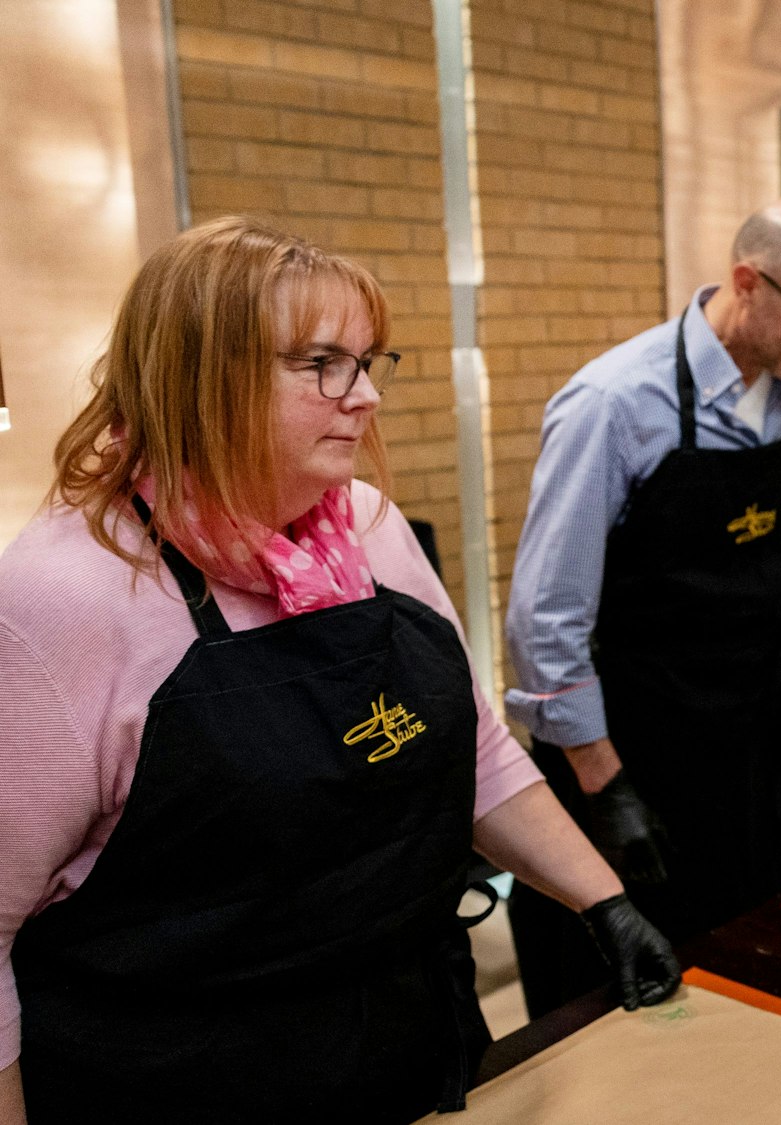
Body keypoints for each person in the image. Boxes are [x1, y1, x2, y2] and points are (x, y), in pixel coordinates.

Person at [0, 217, 679, 1125]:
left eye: (368, 362)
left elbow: (471, 749)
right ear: (203, 376)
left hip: (408, 1044)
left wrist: (604, 902)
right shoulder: (59, 595)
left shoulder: (364, 527)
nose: (364, 397)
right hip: (182, 1081)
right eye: (322, 363)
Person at [503, 198, 781, 1017]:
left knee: (773, 959)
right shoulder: (613, 405)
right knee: (648, 999)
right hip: (644, 752)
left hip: (761, 732)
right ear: (747, 283)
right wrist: (603, 785)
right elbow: (547, 622)